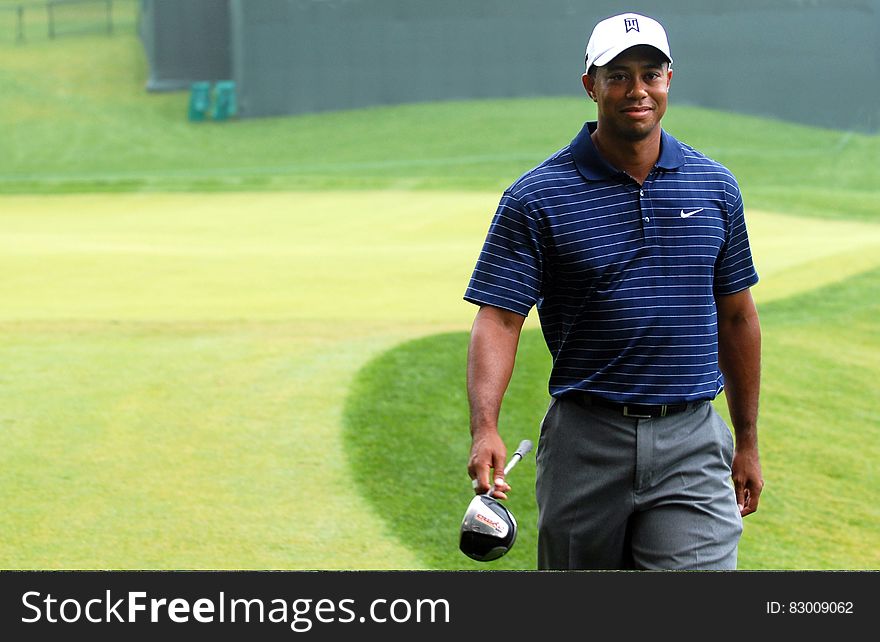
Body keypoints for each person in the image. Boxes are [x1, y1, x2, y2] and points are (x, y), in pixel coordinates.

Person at [463, 12, 764, 570]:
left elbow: (738, 317)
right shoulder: (537, 196)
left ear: (669, 81)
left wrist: (746, 440)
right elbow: (499, 319)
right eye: (618, 75)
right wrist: (486, 429)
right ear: (590, 85)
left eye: (650, 73)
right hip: (586, 440)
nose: (636, 90)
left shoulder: (715, 185)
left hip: (692, 439)